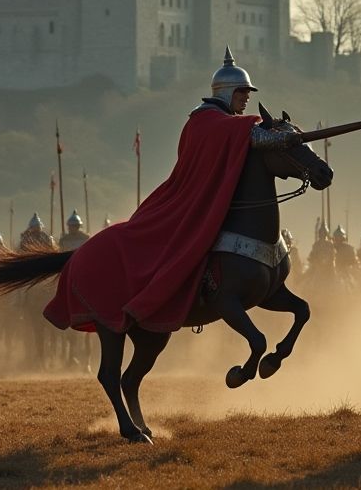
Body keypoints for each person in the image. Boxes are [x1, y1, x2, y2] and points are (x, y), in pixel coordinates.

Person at [43, 47, 301, 333]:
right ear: (227, 92)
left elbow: (243, 140)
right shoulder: (206, 121)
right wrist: (271, 134)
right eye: (242, 93)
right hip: (190, 201)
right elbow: (243, 132)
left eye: (248, 93)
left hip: (217, 200)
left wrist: (282, 137)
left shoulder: (228, 125)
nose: (247, 98)